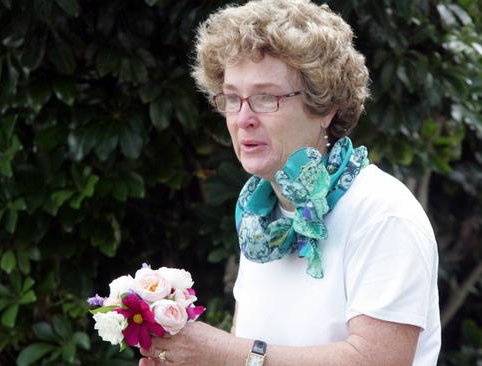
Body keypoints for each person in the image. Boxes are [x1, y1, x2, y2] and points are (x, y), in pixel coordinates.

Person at [139, 0, 441, 364]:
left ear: (325, 105)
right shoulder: (260, 217)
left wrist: (223, 353)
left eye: (266, 98)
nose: (243, 118)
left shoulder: (382, 213)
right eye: (232, 98)